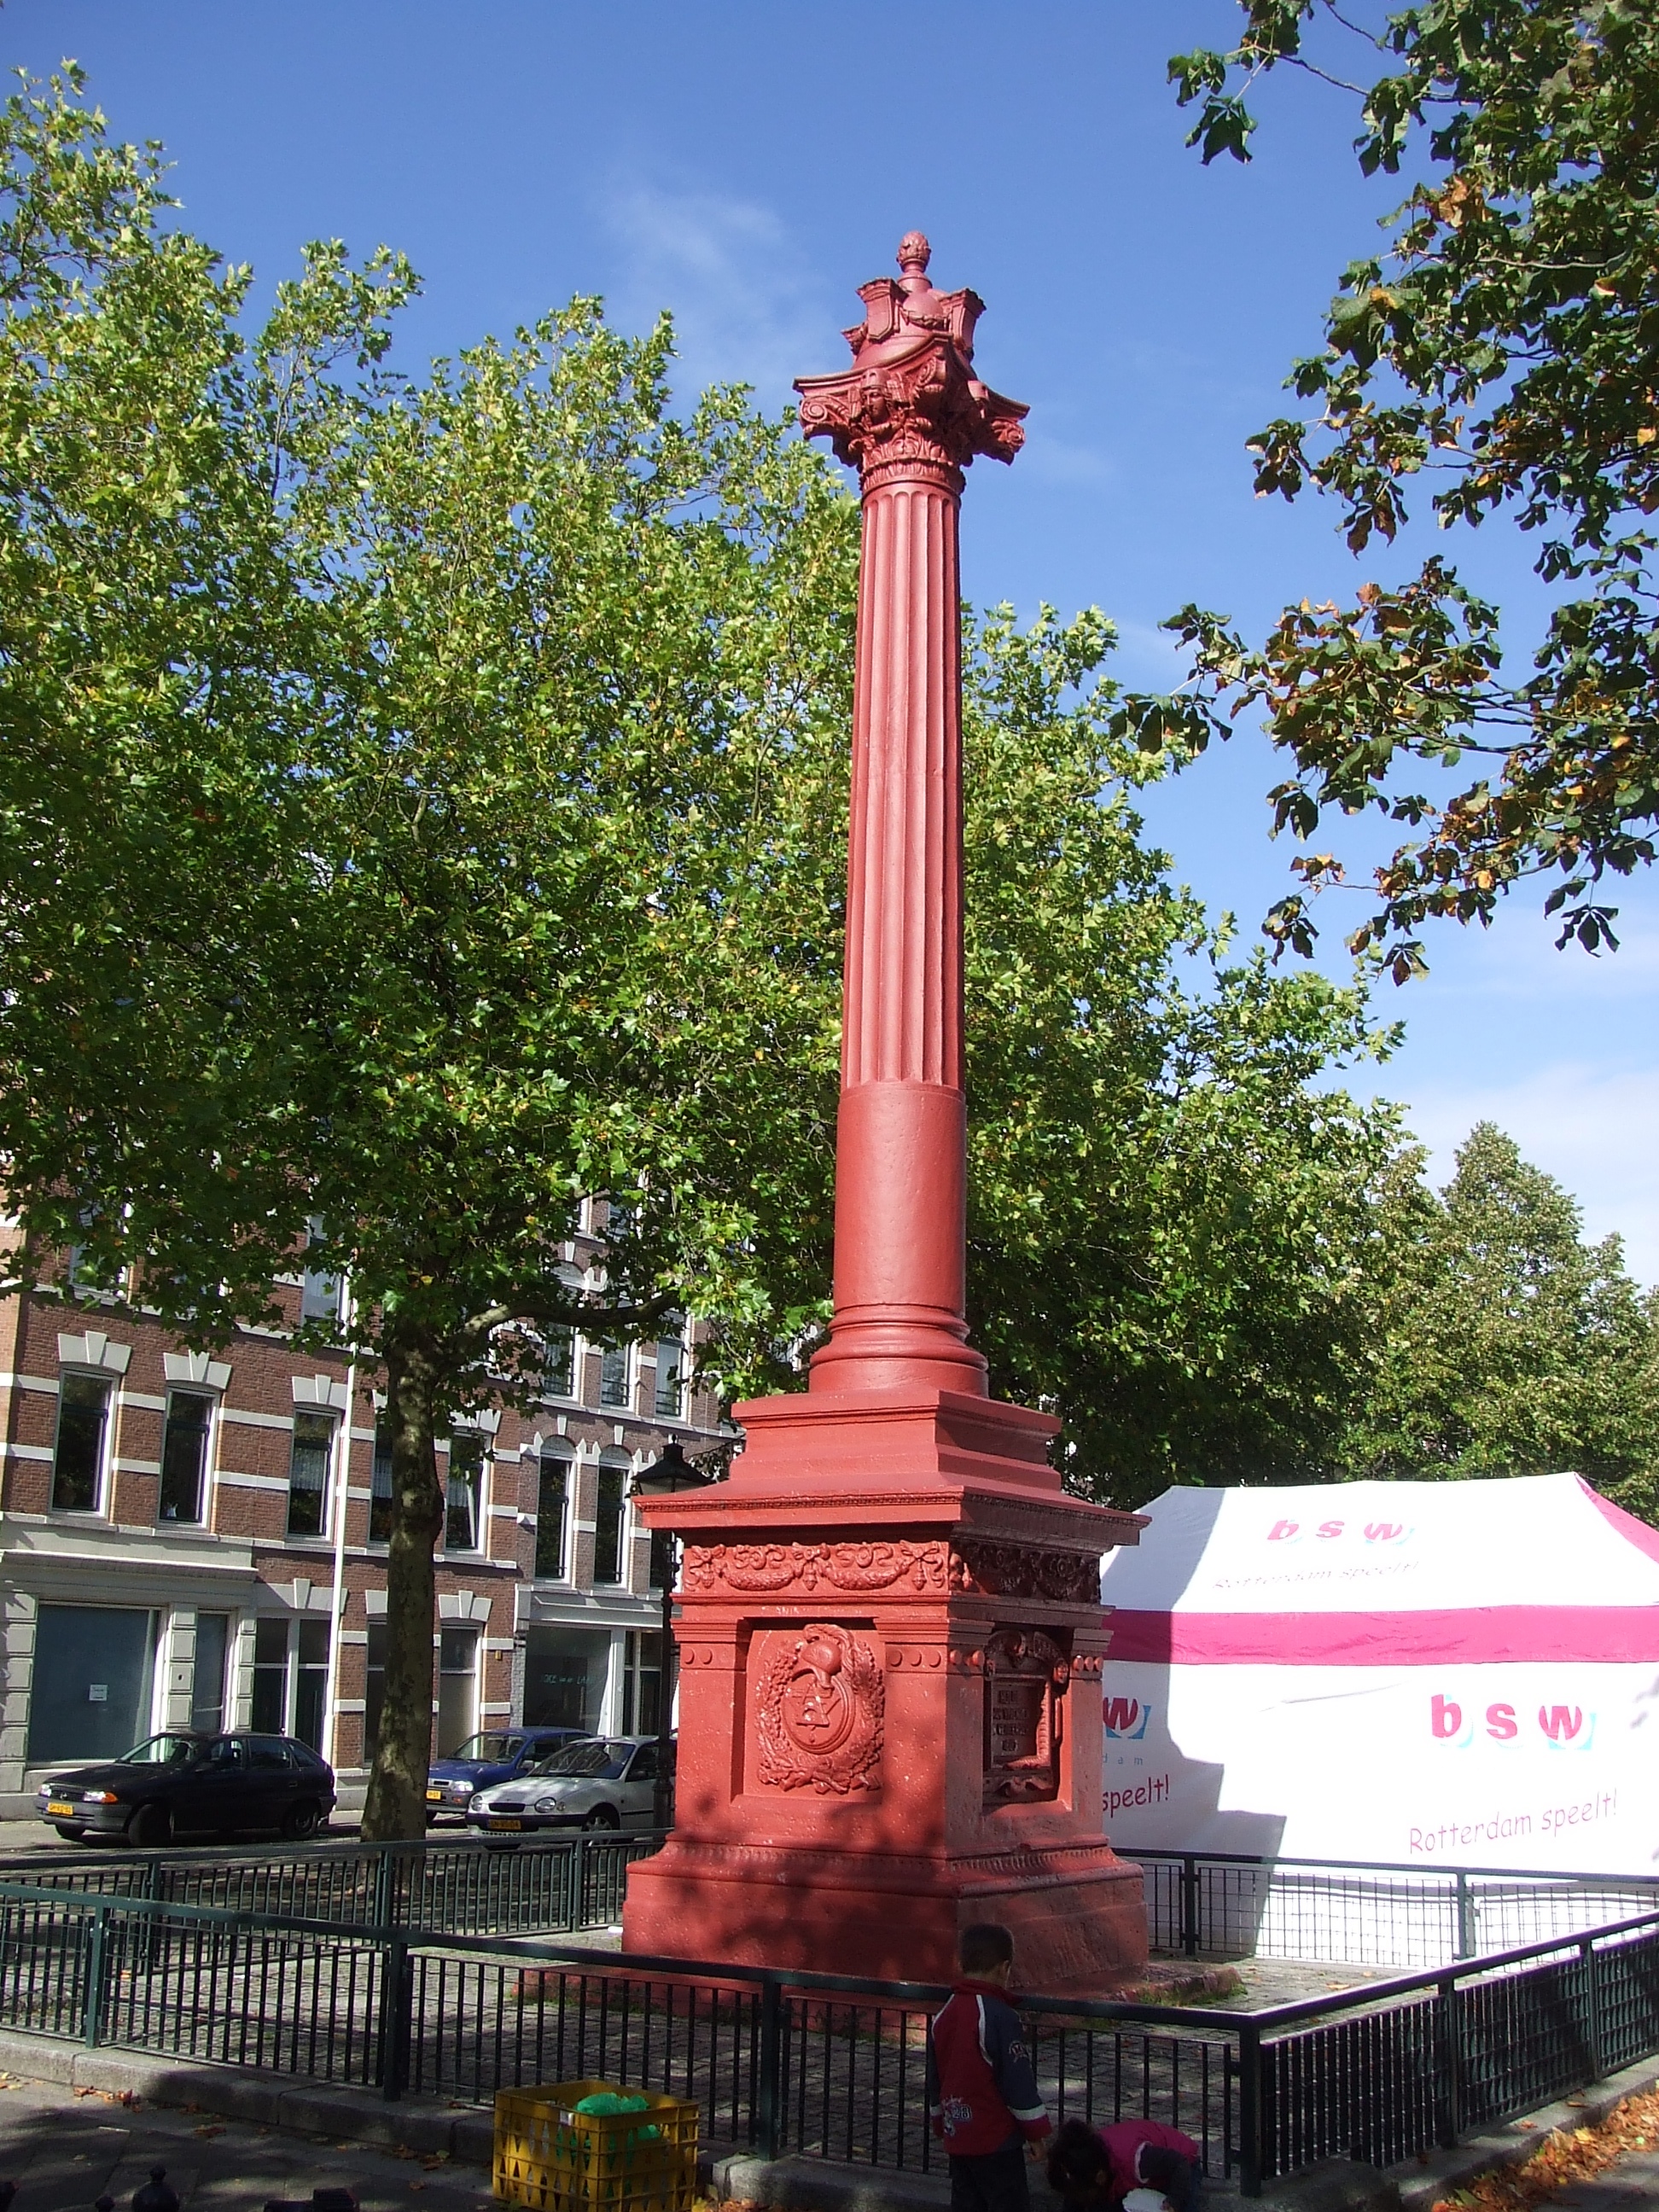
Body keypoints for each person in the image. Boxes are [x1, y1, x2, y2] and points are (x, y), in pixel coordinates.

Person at [927, 1923, 1052, 2212]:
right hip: (996, 2139)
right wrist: (1035, 2132)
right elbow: (1017, 2081)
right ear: (1003, 1968)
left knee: (966, 2202)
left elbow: (935, 2078)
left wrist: (939, 2120)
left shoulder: (944, 2014)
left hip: (958, 2133)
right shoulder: (999, 2016)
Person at [1045, 2114, 1202, 2212]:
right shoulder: (1083, 2169)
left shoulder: (1137, 2159)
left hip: (1182, 2166)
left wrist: (1174, 2201)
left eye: (1081, 2196)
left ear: (1100, 2177)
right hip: (1126, 2178)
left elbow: (1179, 2163)